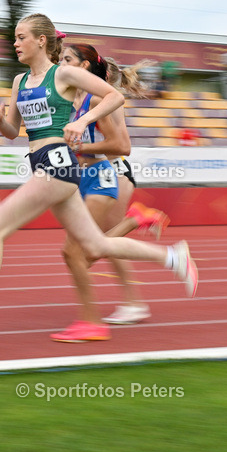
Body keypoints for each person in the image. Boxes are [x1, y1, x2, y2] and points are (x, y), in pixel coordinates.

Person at [0, 14, 197, 343]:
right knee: (95, 244)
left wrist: (84, 123)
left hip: (58, 164)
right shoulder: (19, 82)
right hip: (41, 161)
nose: (15, 43)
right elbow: (14, 132)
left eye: (21, 37)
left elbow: (115, 97)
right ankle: (173, 257)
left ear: (41, 41)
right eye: (14, 38)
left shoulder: (64, 74)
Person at [52, 47, 172, 340]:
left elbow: (120, 145)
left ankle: (136, 223)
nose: (60, 66)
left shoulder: (103, 101)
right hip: (101, 173)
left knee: (96, 247)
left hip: (115, 172)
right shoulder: (78, 100)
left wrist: (78, 149)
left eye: (66, 61)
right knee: (101, 245)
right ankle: (133, 302)